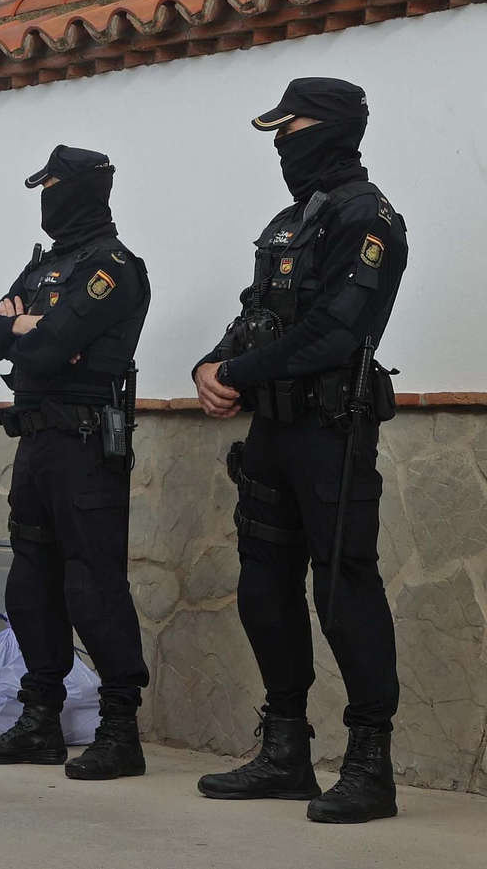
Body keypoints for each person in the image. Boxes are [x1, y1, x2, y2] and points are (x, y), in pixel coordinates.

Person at [192, 79, 406, 824]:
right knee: (263, 589)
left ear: (333, 129)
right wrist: (208, 365)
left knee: (343, 591)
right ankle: (285, 752)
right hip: (273, 435)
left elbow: (336, 332)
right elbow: (258, 317)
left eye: (293, 127)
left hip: (331, 433)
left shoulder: (367, 217)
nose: (282, 142)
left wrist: (237, 374)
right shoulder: (290, 223)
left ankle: (370, 766)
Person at [0, 146, 151, 781]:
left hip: (87, 445)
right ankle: (40, 720)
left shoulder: (113, 267)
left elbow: (45, 349)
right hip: (36, 443)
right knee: (31, 584)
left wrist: (21, 330)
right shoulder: (46, 267)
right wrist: (17, 329)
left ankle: (121, 730)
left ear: (81, 191)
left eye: (51, 187)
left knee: (92, 586)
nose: (44, 199)